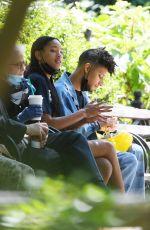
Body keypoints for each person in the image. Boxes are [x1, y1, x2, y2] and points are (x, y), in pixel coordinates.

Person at [25, 36, 125, 192]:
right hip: (44, 141)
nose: (59, 55)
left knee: (104, 165)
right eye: (53, 51)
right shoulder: (37, 80)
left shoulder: (48, 80)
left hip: (60, 139)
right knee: (108, 147)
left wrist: (85, 119)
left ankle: (88, 211)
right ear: (38, 55)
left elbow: (58, 124)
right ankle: (121, 206)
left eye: (61, 52)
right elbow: (47, 124)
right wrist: (84, 114)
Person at [0, 46, 106, 189]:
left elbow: (11, 121)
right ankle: (103, 199)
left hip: (22, 139)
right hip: (13, 143)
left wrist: (25, 119)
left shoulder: (18, 87)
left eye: (24, 64)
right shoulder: (40, 80)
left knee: (84, 148)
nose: (23, 69)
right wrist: (27, 127)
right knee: (86, 144)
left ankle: (98, 199)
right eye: (17, 65)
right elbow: (46, 122)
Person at [55, 47, 145, 195]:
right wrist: (97, 124)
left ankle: (134, 209)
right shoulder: (61, 90)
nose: (101, 83)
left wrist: (103, 124)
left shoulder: (83, 92)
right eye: (100, 76)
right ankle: (122, 209)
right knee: (129, 160)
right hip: (77, 150)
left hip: (90, 147)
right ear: (87, 67)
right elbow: (70, 133)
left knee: (137, 151)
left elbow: (87, 123)